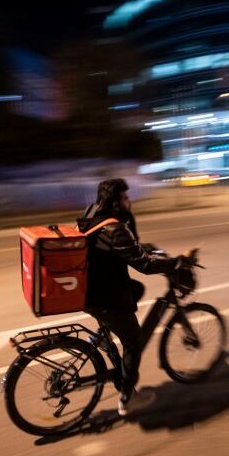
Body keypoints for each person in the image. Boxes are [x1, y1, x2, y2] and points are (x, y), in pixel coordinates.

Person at [78, 178, 185, 416]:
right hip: (104, 296)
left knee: (136, 290)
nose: (130, 202)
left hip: (89, 289)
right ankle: (127, 399)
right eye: (126, 198)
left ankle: (107, 332)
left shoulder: (93, 215)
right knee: (134, 342)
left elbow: (128, 248)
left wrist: (149, 248)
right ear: (116, 203)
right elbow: (144, 264)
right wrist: (175, 262)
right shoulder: (115, 228)